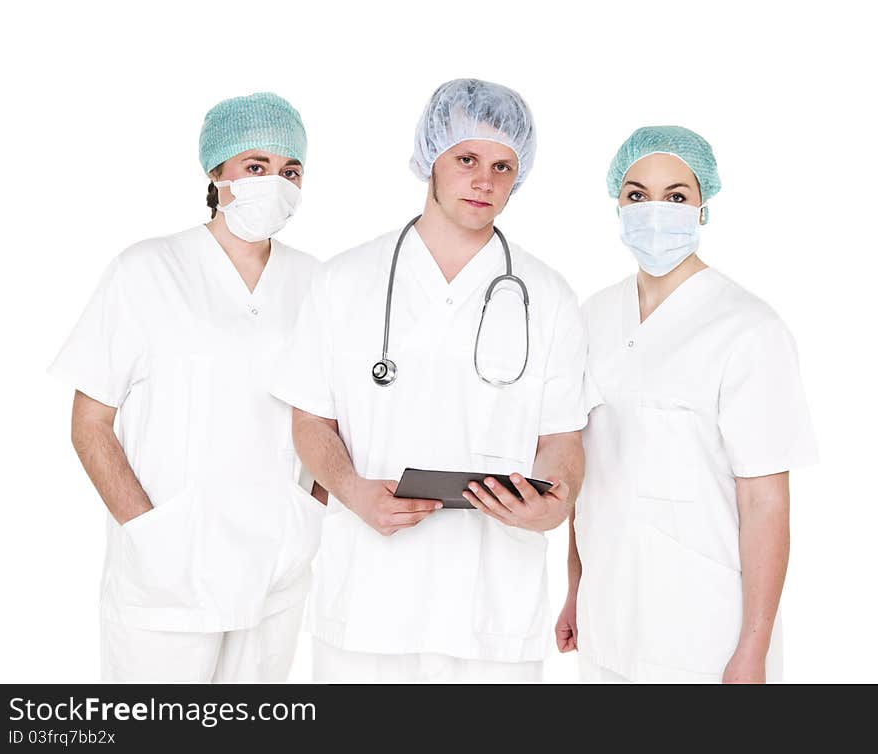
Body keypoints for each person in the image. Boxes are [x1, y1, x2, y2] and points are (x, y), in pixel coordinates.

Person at [271, 78, 590, 682]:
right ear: (431, 159)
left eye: (503, 166)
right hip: (368, 605)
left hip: (491, 610)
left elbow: (564, 437)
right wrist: (350, 488)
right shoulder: (344, 282)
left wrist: (557, 503)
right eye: (466, 158)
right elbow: (311, 419)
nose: (484, 181)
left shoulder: (547, 296)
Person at [49, 92, 327, 682]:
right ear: (217, 172)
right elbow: (89, 424)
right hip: (168, 573)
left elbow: (331, 417)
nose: (274, 183)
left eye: (290, 171)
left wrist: (309, 516)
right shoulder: (147, 269)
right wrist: (152, 534)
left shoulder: (315, 283)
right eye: (255, 167)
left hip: (275, 566)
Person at [556, 125, 818, 683]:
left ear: (703, 207)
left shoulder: (748, 329)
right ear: (617, 205)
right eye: (636, 194)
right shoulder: (592, 317)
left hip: (704, 635)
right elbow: (584, 473)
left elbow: (766, 503)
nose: (655, 211)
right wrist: (576, 587)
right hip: (607, 624)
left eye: (676, 196)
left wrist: (754, 648)